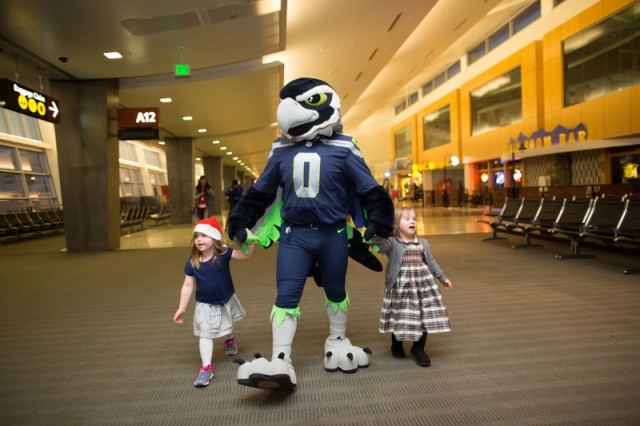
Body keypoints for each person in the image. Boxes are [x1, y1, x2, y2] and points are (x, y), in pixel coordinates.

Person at [227, 77, 394, 390]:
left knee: (336, 289)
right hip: (294, 235)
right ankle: (281, 359)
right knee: (286, 296)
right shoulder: (279, 150)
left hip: (333, 234)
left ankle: (338, 340)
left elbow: (369, 188)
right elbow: (261, 191)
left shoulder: (344, 147)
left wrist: (380, 222)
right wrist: (241, 218)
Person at [173, 217, 255, 387]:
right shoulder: (192, 262)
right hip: (204, 304)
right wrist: (182, 308)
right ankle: (206, 368)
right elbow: (188, 286)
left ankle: (229, 338)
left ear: (215, 237)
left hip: (225, 298)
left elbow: (246, 255)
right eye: (196, 236)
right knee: (205, 333)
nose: (199, 240)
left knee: (226, 321)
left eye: (204, 235)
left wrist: (250, 241)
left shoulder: (223, 254)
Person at [372, 206, 452, 367]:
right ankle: (396, 345)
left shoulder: (423, 243)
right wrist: (379, 227)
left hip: (422, 287)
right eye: (407, 219)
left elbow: (431, 262)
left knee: (423, 316)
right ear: (395, 224)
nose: (412, 222)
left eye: (414, 219)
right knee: (399, 315)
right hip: (401, 288)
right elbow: (377, 244)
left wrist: (442, 278)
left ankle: (418, 348)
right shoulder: (393, 243)